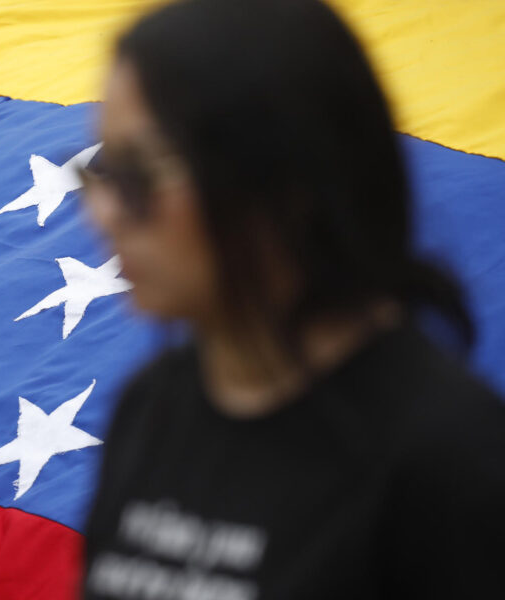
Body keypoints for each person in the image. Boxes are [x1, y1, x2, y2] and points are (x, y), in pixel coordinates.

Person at [77, 0, 505, 598]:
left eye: (142, 173)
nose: (105, 212)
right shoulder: (149, 408)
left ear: (285, 179)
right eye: (101, 173)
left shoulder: (449, 459)